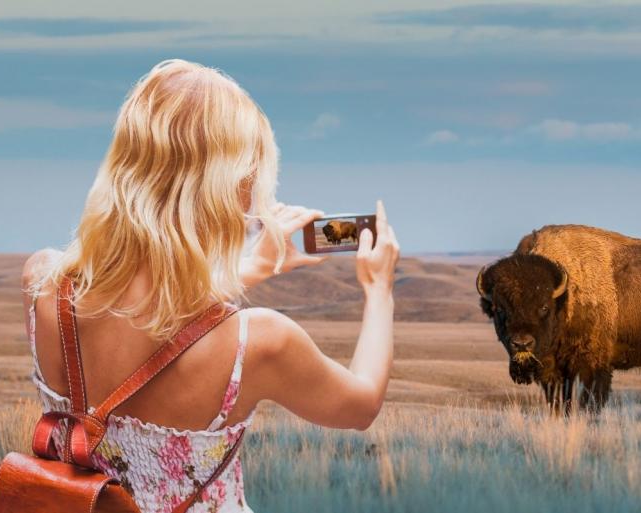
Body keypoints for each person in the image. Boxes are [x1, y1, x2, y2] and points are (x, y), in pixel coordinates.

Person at [21, 59, 400, 513]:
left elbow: (152, 319)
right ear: (225, 189)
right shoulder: (260, 342)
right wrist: (379, 290)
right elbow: (361, 406)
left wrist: (251, 269)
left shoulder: (44, 285)